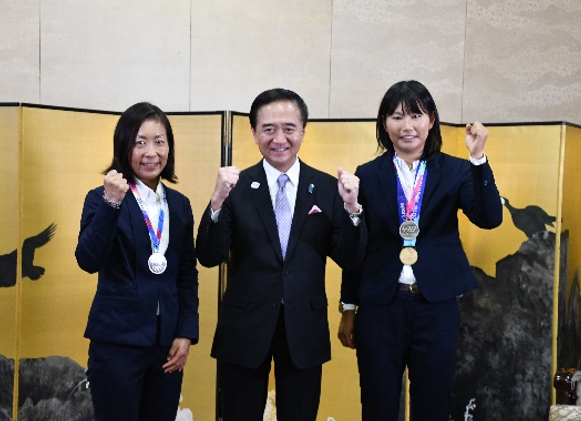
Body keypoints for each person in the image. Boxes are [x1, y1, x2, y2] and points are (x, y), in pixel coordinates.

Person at [196, 88, 366, 421]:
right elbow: (208, 255)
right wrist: (216, 201)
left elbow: (351, 257)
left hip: (304, 328)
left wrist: (352, 209)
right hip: (244, 328)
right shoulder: (236, 186)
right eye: (268, 129)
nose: (279, 138)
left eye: (289, 128)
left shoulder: (330, 188)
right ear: (254, 133)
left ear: (303, 130)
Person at [338, 80, 502, 421]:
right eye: (397, 116)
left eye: (416, 115)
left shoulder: (456, 170)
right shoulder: (367, 175)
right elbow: (358, 249)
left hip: (435, 304)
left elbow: (489, 218)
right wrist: (349, 306)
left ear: (431, 121)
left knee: (433, 403)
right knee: (378, 402)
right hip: (381, 305)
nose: (407, 126)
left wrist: (478, 158)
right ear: (385, 124)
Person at [75, 102, 199, 421]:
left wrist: (185, 333)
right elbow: (88, 259)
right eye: (139, 142)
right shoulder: (101, 198)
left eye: (159, 141)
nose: (150, 152)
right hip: (117, 342)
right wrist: (111, 204)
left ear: (169, 147)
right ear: (124, 145)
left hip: (167, 348)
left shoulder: (180, 206)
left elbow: (186, 273)